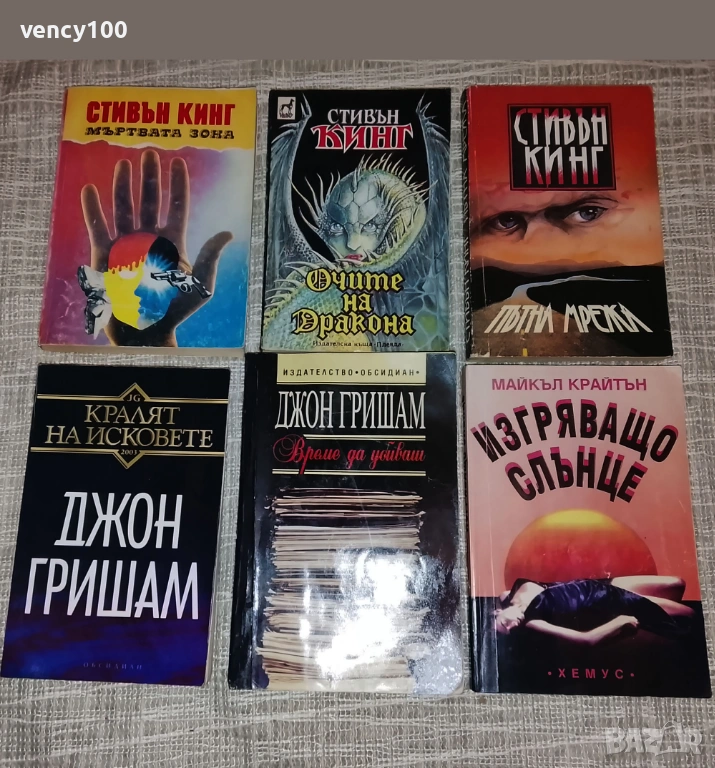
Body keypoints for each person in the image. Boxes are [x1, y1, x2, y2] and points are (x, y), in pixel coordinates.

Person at [494, 575, 693, 645]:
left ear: (496, 613)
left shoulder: (506, 596)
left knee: (677, 584)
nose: (513, 626)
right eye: (511, 631)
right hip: (613, 603)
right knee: (689, 616)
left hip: (602, 584)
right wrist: (620, 621)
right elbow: (586, 640)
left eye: (505, 623)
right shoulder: (532, 622)